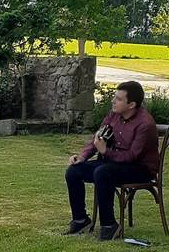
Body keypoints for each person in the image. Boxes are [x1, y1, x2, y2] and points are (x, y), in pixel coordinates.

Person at [64, 80, 159, 241]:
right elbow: (97, 138)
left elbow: (131, 157)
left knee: (103, 172)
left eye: (119, 99)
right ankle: (80, 219)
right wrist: (81, 157)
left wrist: (105, 151)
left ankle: (109, 225)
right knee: (74, 171)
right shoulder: (113, 115)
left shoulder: (145, 124)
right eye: (114, 97)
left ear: (131, 104)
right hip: (113, 164)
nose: (113, 101)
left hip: (139, 169)